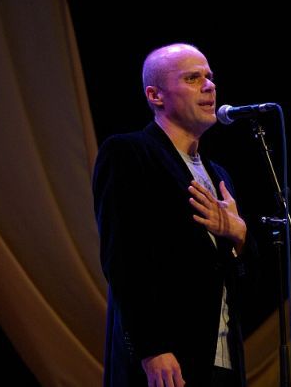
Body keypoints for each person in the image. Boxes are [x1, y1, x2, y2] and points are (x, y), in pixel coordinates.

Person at [92, 43, 258, 387]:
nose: (209, 86)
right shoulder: (130, 153)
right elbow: (123, 258)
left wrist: (240, 236)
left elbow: (241, 279)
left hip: (222, 359)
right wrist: (151, 348)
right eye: (193, 78)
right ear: (156, 95)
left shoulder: (219, 176)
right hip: (167, 361)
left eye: (210, 77)